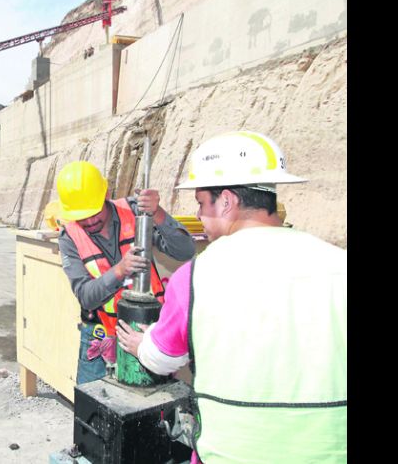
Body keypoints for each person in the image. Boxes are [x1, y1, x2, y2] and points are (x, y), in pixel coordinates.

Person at [116, 131, 346, 463]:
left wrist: (141, 345)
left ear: (226, 201)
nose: (197, 215)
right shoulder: (339, 263)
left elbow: (164, 358)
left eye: (200, 202)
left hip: (233, 453)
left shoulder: (196, 276)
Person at [56, 160, 195, 385]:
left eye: (94, 211)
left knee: (150, 405)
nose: (90, 221)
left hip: (145, 329)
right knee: (95, 411)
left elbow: (185, 250)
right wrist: (120, 270)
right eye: (83, 216)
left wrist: (158, 214)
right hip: (100, 337)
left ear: (106, 194)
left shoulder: (135, 211)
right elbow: (86, 297)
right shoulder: (69, 237)